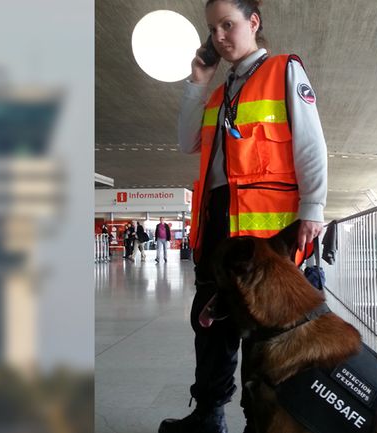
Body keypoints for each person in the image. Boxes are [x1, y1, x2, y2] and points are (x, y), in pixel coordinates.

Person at [158, 1, 327, 432]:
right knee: (210, 327)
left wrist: (312, 209)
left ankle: (265, 421)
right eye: (213, 28)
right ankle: (208, 416)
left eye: (227, 25)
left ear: (253, 22)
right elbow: (184, 142)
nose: (219, 36)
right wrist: (198, 82)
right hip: (217, 224)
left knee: (265, 334)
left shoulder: (283, 70)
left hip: (266, 234)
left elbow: (310, 143)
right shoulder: (217, 93)